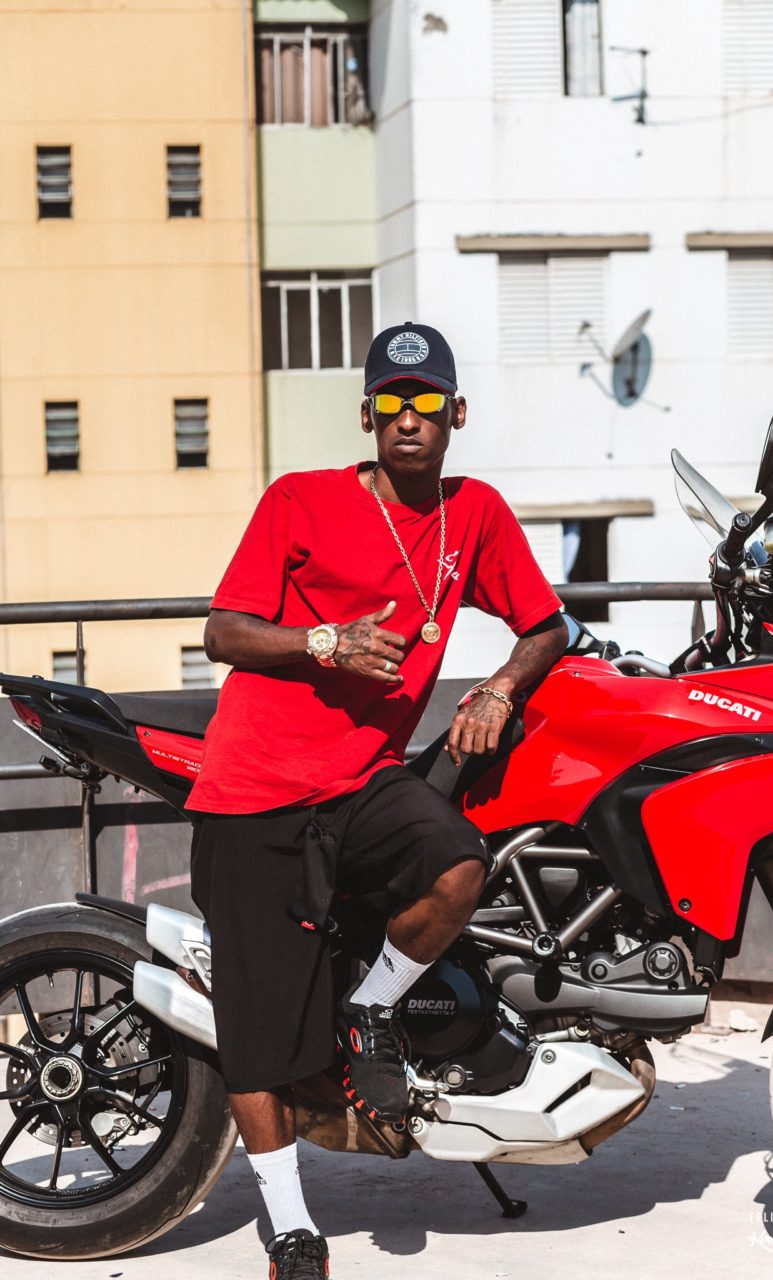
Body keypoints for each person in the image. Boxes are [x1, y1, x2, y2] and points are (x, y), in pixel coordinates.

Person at [186, 322, 568, 1279]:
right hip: (254, 791)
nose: (408, 418)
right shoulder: (299, 499)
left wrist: (499, 689)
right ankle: (291, 1228)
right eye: (390, 403)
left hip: (362, 780)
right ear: (367, 416)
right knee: (258, 1036)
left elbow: (546, 623)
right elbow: (223, 631)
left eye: (426, 402)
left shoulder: (474, 513)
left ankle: (370, 1011)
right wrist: (325, 642)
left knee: (459, 864)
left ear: (455, 414)